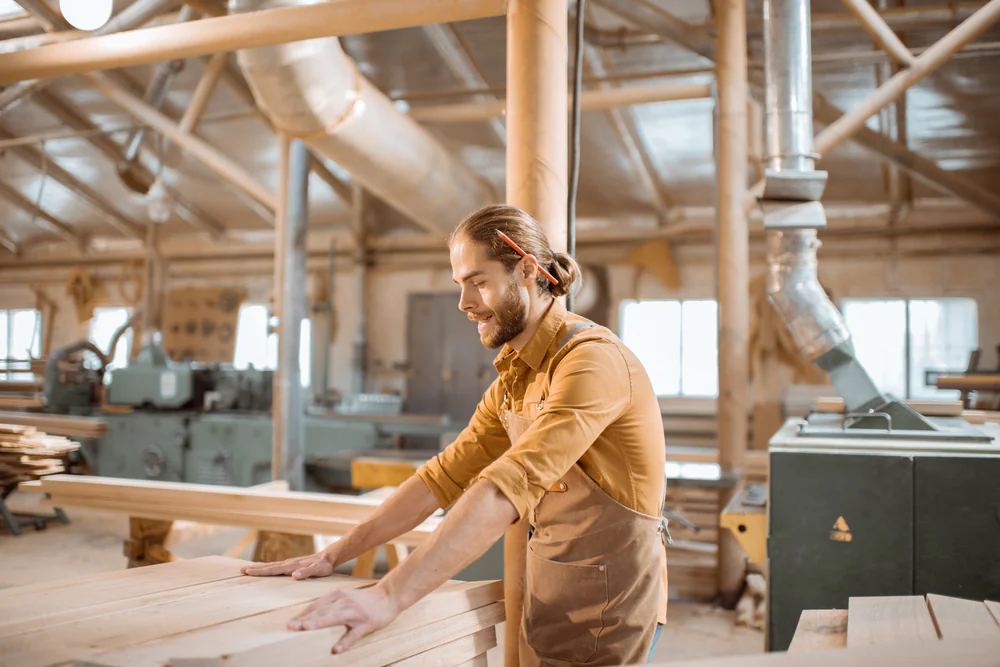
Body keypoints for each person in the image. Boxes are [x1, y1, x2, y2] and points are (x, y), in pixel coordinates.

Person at [243, 204, 669, 666]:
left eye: (479, 282)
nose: (465, 304)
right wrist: (334, 555)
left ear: (526, 269)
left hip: (611, 610)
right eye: (460, 285)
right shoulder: (514, 377)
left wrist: (390, 596)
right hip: (557, 596)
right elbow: (440, 479)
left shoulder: (592, 362)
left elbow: (507, 485)